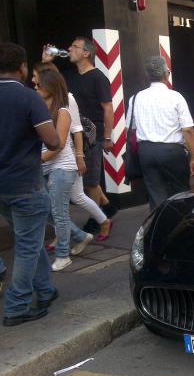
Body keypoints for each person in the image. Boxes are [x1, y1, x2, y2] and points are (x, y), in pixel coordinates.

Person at [0, 42, 60, 326]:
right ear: (22, 67)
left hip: (1, 187)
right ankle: (17, 305)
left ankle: (46, 289)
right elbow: (52, 140)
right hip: (25, 183)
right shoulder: (29, 98)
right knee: (26, 246)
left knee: (29, 239)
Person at [42, 38, 118, 234]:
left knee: (90, 182)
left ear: (86, 53)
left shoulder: (97, 77)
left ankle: (98, 220)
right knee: (88, 181)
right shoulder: (71, 76)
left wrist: (108, 138)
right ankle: (107, 209)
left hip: (93, 136)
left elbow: (108, 109)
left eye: (74, 47)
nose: (69, 49)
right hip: (76, 134)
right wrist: (47, 61)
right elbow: (52, 80)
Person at [36, 68, 93, 271]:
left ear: (50, 86)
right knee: (47, 210)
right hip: (44, 165)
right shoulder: (40, 108)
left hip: (61, 166)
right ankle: (80, 236)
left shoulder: (63, 110)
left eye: (38, 84)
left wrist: (36, 160)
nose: (34, 88)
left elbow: (59, 144)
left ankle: (63, 255)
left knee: (59, 213)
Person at [126, 56, 194, 211]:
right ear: (167, 74)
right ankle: (179, 226)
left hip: (146, 152)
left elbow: (132, 128)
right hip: (172, 152)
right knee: (181, 193)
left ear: (147, 75)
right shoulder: (176, 97)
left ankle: (158, 229)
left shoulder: (135, 98)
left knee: (155, 195)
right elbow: (187, 130)